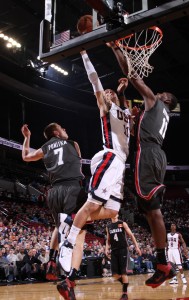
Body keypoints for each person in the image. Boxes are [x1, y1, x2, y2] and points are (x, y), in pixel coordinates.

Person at [57, 51, 132, 299]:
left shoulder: (125, 112)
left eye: (112, 93)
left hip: (121, 165)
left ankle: (74, 223)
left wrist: (121, 90)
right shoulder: (105, 107)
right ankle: (68, 242)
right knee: (90, 205)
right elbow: (95, 83)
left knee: (111, 212)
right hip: (109, 156)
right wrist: (86, 53)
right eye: (107, 93)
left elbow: (126, 105)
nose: (109, 93)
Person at [107, 41, 178, 288]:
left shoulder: (155, 102)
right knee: (149, 210)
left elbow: (134, 76)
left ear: (165, 99)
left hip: (147, 153)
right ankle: (161, 261)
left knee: (153, 210)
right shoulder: (162, 113)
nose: (157, 92)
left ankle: (163, 263)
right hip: (156, 154)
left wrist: (117, 49)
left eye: (162, 93)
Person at [21, 123, 86, 283]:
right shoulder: (73, 144)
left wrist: (27, 138)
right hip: (72, 188)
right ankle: (72, 274)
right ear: (56, 132)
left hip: (54, 191)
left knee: (59, 226)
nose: (65, 130)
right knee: (79, 233)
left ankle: (51, 259)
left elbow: (25, 157)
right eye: (63, 129)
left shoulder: (45, 147)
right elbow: (79, 167)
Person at [105, 214, 141, 300]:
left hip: (123, 249)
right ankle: (126, 283)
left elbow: (131, 235)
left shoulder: (122, 223)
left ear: (117, 214)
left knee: (123, 272)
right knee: (114, 274)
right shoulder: (108, 226)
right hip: (114, 250)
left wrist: (137, 247)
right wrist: (106, 248)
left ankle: (125, 294)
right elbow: (108, 239)